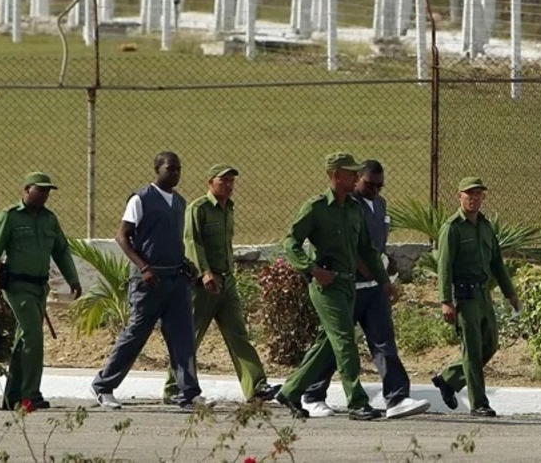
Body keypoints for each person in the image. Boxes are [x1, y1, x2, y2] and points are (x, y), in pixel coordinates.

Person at [300, 160, 430, 420]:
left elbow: (374, 245)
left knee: (384, 342)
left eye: (380, 186)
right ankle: (311, 395)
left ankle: (397, 398)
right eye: (370, 184)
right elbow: (347, 246)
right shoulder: (346, 204)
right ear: (357, 178)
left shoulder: (380, 204)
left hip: (374, 289)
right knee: (335, 344)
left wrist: (384, 270)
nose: (375, 190)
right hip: (346, 287)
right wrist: (364, 267)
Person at [275, 152, 394, 421]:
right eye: (351, 173)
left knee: (328, 344)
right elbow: (291, 242)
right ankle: (357, 402)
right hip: (327, 287)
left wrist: (384, 281)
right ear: (336, 175)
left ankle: (290, 391)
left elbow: (367, 249)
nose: (356, 177)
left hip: (348, 284)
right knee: (344, 341)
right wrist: (312, 269)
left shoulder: (353, 208)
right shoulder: (316, 207)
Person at [91, 151, 208, 411]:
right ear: (157, 169)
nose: (175, 173)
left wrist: (185, 264)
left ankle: (189, 393)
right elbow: (122, 236)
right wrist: (143, 266)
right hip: (149, 281)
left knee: (183, 336)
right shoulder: (141, 199)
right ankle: (103, 386)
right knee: (136, 334)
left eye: (178, 169)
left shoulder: (180, 202)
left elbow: (171, 240)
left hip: (176, 279)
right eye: (170, 168)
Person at [163, 164, 279, 405]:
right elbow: (192, 242)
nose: (228, 185)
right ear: (210, 183)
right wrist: (205, 273)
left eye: (231, 181)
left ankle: (256, 387)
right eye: (223, 180)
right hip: (202, 285)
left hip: (227, 282)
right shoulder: (199, 209)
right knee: (190, 337)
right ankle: (174, 389)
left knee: (239, 335)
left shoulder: (229, 209)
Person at [0, 172, 83, 412]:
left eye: (47, 191)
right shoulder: (9, 217)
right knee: (34, 336)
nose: (44, 195)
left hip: (39, 287)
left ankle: (13, 396)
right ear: (26, 190)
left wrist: (73, 279)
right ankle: (31, 395)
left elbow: (61, 250)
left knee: (24, 339)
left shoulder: (49, 219)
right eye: (40, 189)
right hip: (17, 287)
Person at [432, 177, 520, 418]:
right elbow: (444, 266)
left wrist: (510, 293)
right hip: (465, 297)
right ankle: (479, 403)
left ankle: (449, 379)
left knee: (490, 345)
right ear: (459, 196)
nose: (474, 198)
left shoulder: (485, 226)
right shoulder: (452, 228)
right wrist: (446, 301)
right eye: (469, 194)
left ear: (483, 197)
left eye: (478, 194)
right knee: (472, 351)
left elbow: (497, 263)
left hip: (483, 295)